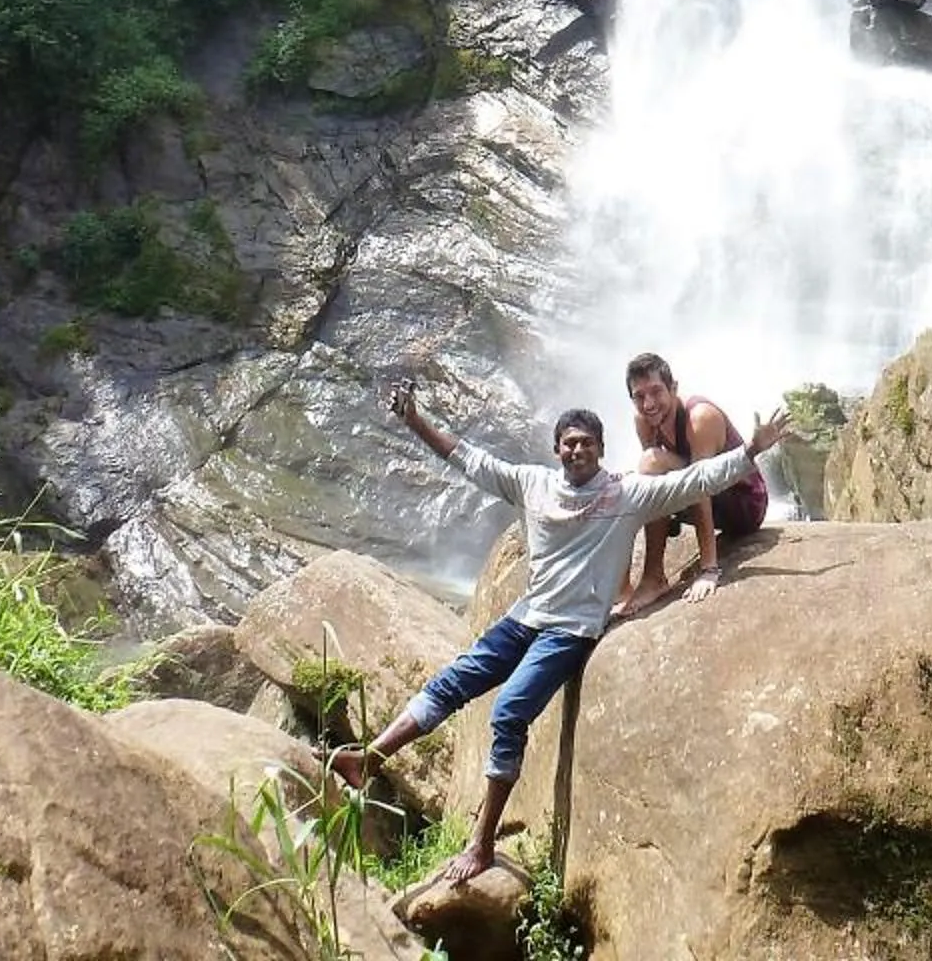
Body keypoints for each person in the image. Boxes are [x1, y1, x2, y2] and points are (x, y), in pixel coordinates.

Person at [327, 376, 792, 887]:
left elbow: (693, 482)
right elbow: (468, 458)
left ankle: (481, 844)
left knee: (508, 713)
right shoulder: (533, 484)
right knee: (452, 683)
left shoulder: (626, 494)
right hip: (527, 616)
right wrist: (414, 419)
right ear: (556, 450)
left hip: (570, 631)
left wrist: (750, 450)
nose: (577, 451)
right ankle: (369, 760)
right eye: (569, 443)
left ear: (600, 450)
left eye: (587, 444)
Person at [614, 352, 769, 615]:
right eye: (639, 396)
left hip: (743, 505)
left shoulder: (700, 418)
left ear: (673, 388)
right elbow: (656, 488)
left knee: (651, 464)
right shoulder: (644, 422)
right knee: (632, 481)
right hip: (701, 489)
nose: (649, 404)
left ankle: (654, 578)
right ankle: (632, 586)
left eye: (656, 392)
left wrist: (709, 569)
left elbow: (701, 486)